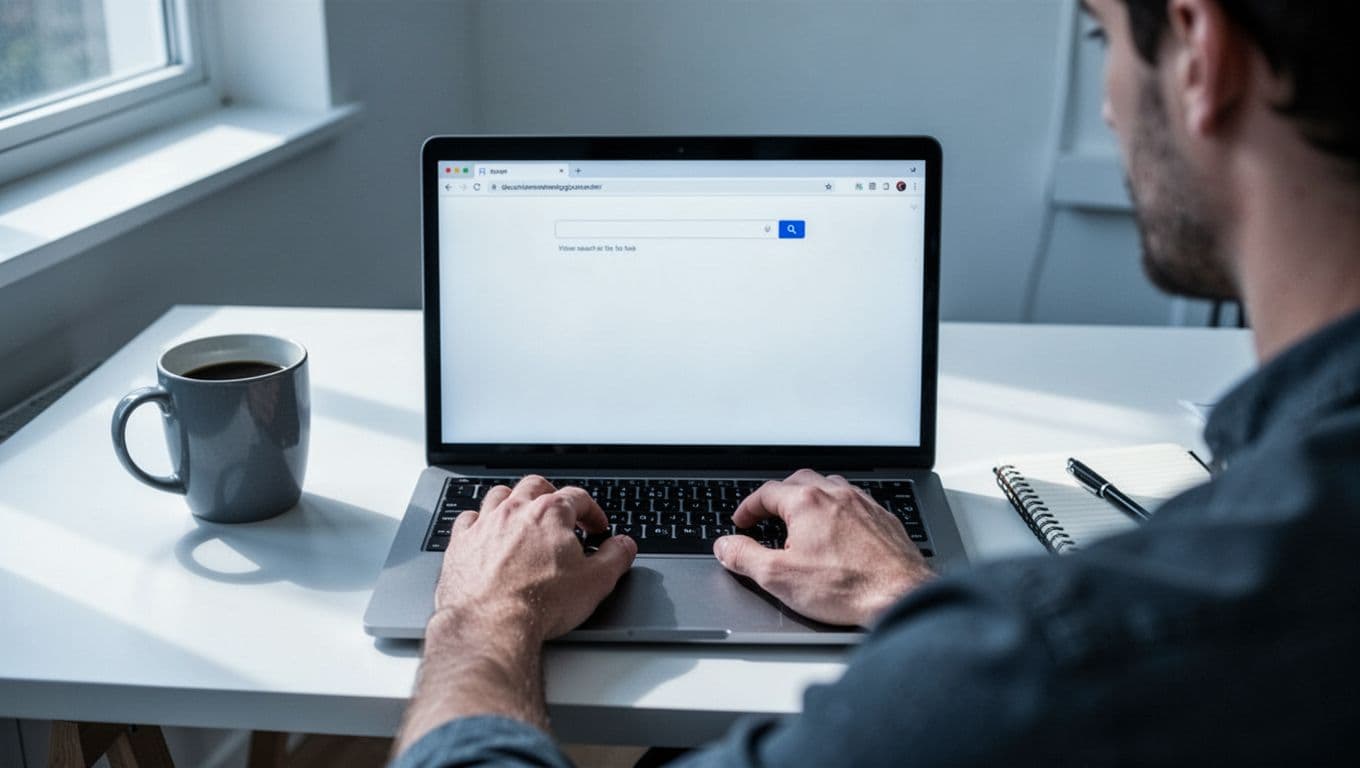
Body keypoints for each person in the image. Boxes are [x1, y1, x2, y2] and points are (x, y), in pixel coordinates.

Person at [391, 0, 1360, 764]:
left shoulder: (1064, 658)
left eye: (1100, 33)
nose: (1108, 102)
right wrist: (908, 595)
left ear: (1198, 51)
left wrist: (485, 615)